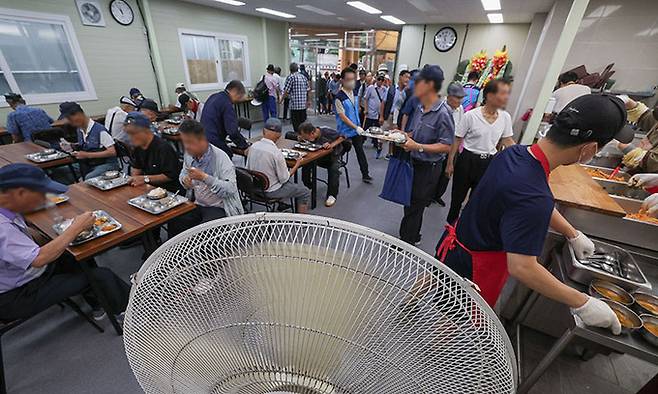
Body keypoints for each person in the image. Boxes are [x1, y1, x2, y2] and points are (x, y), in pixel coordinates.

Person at [434, 94, 633, 336]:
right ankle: (434, 358)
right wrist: (582, 302)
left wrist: (572, 233)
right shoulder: (535, 196)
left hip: (457, 241)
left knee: (436, 277)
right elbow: (522, 267)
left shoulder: (515, 153)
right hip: (476, 266)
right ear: (590, 149)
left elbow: (521, 201)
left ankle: (408, 306)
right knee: (452, 323)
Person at [0, 163, 130, 321]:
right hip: (16, 295)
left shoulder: (7, 209)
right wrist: (75, 228)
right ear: (20, 193)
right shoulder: (2, 227)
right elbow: (39, 259)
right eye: (41, 194)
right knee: (102, 276)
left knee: (78, 256)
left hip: (20, 276)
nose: (45, 199)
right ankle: (133, 317)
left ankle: (99, 302)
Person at [398, 65, 454, 245]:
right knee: (410, 204)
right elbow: (415, 133)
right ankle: (413, 236)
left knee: (415, 206)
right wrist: (403, 136)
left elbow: (446, 146)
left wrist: (418, 146)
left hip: (428, 169)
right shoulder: (421, 108)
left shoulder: (444, 113)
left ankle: (406, 242)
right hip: (414, 164)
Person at [445, 79, 515, 224]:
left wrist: (523, 155)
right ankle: (450, 225)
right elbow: (457, 140)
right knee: (457, 197)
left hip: (489, 162)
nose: (506, 97)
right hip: (467, 160)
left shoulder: (505, 118)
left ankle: (465, 226)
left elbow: (508, 141)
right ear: (489, 95)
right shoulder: (471, 116)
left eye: (507, 94)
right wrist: (450, 163)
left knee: (477, 198)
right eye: (502, 93)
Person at [178, 119, 244, 219]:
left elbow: (231, 188)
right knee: (176, 221)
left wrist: (204, 178)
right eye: (184, 142)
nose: (186, 147)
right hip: (197, 202)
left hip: (218, 206)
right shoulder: (189, 155)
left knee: (205, 232)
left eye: (190, 142)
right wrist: (184, 180)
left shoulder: (221, 158)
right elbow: (183, 172)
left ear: (202, 140)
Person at [246, 118, 311, 213]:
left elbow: (247, 169)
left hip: (252, 187)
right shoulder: (276, 153)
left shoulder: (252, 147)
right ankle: (301, 222)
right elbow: (284, 179)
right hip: (269, 191)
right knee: (304, 191)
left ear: (263, 131)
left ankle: (282, 204)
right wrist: (297, 164)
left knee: (289, 184)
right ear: (279, 136)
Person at [59, 102, 119, 180]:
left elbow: (112, 152)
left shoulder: (99, 130)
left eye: (70, 118)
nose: (69, 122)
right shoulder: (79, 130)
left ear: (79, 114)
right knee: (62, 170)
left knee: (89, 178)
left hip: (106, 164)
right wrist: (71, 145)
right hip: (88, 163)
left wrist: (86, 155)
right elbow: (87, 144)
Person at [125, 112, 182, 193]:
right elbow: (136, 168)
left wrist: (145, 179)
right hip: (148, 188)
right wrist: (134, 180)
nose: (130, 137)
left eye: (134, 133)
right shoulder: (137, 147)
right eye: (129, 134)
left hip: (168, 191)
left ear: (146, 131)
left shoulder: (163, 148)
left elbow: (170, 176)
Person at [334, 67, 373, 184]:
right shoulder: (339, 97)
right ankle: (334, 167)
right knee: (339, 151)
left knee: (360, 151)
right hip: (345, 131)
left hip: (356, 129)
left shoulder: (354, 93)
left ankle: (365, 174)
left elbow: (356, 109)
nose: (352, 81)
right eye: (348, 79)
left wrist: (359, 124)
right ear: (342, 80)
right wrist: (356, 127)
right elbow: (342, 116)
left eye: (353, 79)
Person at [433, 82, 466, 206]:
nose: (460, 101)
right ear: (449, 96)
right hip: (441, 144)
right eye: (458, 97)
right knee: (436, 171)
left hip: (454, 145)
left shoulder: (460, 109)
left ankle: (438, 195)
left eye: (461, 98)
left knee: (447, 173)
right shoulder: (440, 108)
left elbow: (461, 126)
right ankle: (429, 195)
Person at [200, 80, 250, 158]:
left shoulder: (214, 96)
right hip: (213, 140)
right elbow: (232, 132)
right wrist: (245, 146)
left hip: (202, 137)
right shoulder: (227, 104)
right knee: (227, 155)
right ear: (234, 92)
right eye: (239, 97)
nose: (237, 101)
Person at [298, 122, 343, 207]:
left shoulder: (327, 132)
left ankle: (332, 195)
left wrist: (331, 145)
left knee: (334, 169)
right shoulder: (311, 136)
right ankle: (309, 186)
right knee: (305, 163)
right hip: (318, 156)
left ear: (312, 133)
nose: (305, 139)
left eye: (306, 137)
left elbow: (343, 137)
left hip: (333, 156)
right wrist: (301, 140)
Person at [364, 74, 389, 158]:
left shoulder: (384, 89)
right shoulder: (371, 88)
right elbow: (366, 99)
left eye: (382, 80)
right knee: (366, 127)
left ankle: (375, 142)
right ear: (376, 80)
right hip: (371, 111)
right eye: (379, 79)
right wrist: (366, 109)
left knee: (378, 129)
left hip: (378, 113)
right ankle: (362, 140)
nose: (380, 81)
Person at [283, 63, 310, 133]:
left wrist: (281, 99)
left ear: (290, 69)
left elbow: (286, 91)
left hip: (295, 106)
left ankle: (298, 139)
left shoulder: (290, 77)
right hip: (303, 106)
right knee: (303, 125)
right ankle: (304, 138)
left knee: (296, 125)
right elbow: (308, 90)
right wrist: (308, 101)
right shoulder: (304, 77)